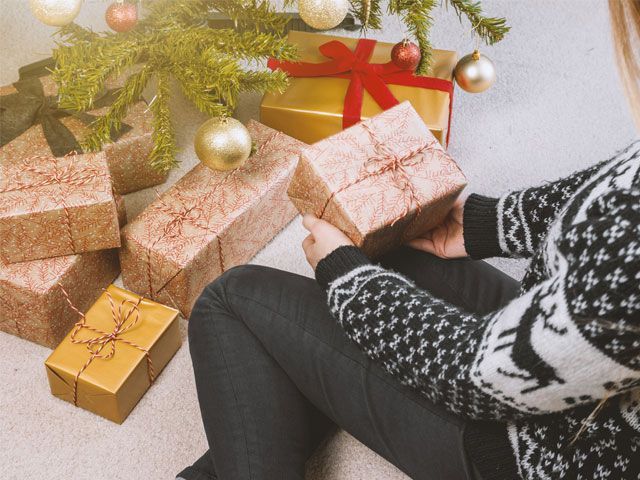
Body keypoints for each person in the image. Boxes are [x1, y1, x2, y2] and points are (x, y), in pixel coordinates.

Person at [177, 2, 640, 479]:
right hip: (576, 365)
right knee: (390, 249)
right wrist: (487, 223)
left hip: (526, 452)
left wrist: (347, 278)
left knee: (229, 300)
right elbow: (618, 191)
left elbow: (474, 376)